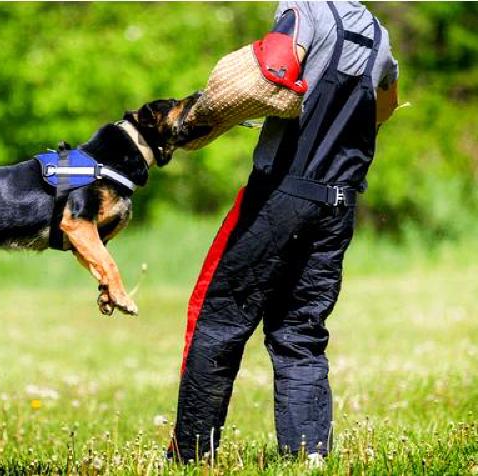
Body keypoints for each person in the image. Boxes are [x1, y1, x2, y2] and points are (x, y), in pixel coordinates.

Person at [170, 1, 399, 462]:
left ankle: (191, 456)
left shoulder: (305, 8)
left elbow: (274, 67)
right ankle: (308, 457)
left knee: (218, 321)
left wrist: (211, 111)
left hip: (281, 195)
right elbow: (384, 108)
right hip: (338, 203)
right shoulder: (379, 34)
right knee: (301, 332)